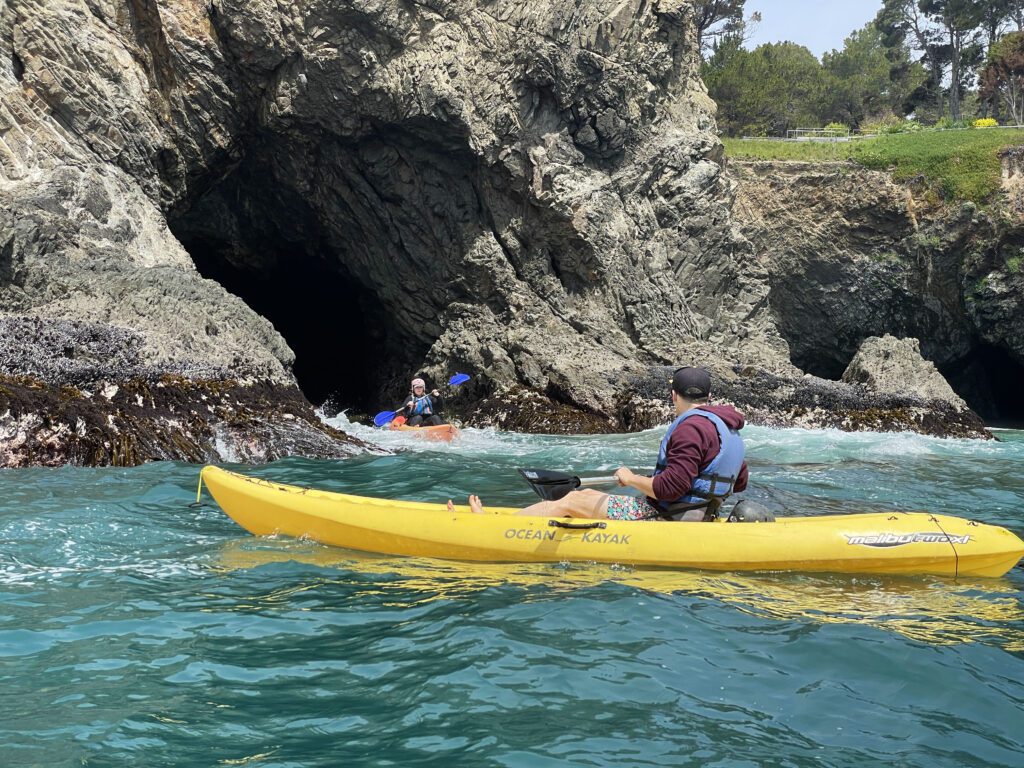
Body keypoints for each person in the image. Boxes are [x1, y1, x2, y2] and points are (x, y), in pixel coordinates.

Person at [455, 367, 748, 521]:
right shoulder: (728, 428)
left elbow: (670, 488)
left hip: (669, 517)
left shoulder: (692, 428)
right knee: (590, 495)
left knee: (572, 499)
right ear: (708, 397)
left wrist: (632, 479)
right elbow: (739, 482)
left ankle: (492, 527)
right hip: (702, 515)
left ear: (673, 395)